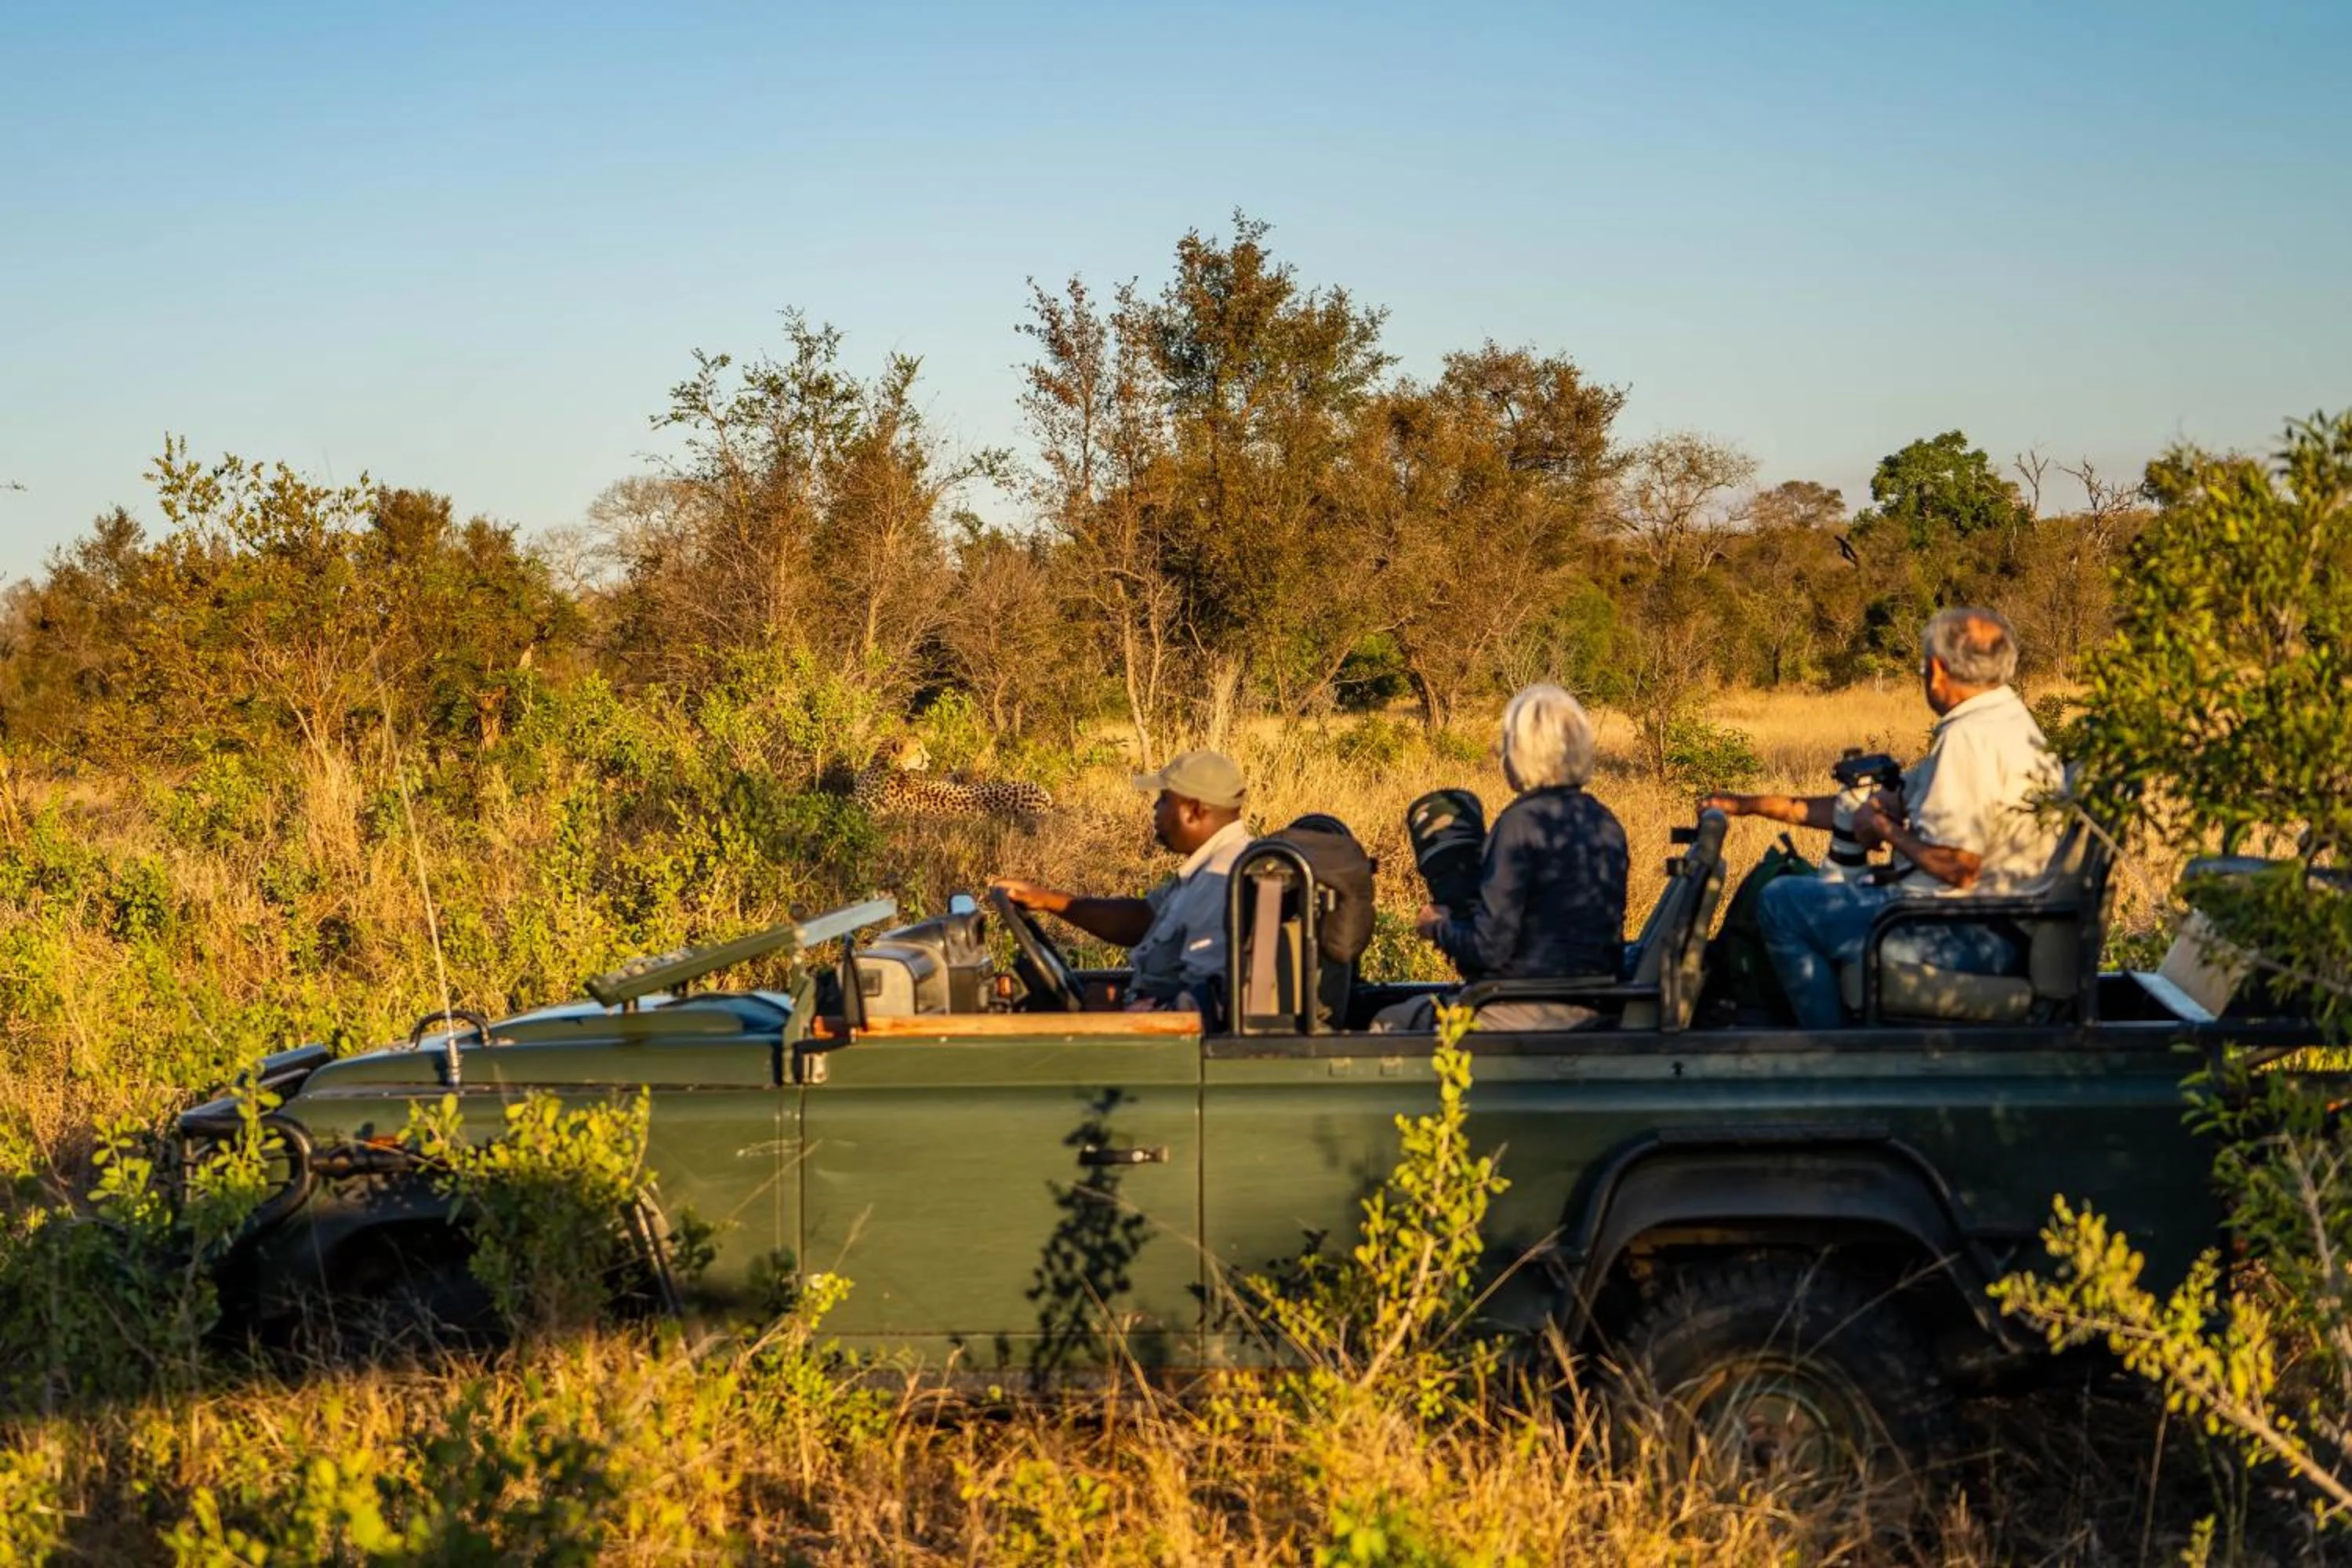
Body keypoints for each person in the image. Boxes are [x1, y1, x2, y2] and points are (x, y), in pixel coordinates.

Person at [1702, 606, 2065, 1029]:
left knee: (1781, 903)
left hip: (1967, 932)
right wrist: (1746, 805)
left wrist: (1886, 830)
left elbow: (1960, 868)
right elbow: (1861, 805)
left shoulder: (1969, 738)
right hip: (1993, 925)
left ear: (1937, 669)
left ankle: (1834, 1051)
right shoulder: (2006, 719)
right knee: (1808, 898)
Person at [1377, 684, 1629, 1032]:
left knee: (1387, 1021)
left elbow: (1489, 948)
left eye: (1509, 742)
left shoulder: (1520, 823)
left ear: (1525, 752)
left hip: (1523, 1006)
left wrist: (1437, 926)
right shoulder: (1605, 821)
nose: (1501, 753)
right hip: (1594, 1002)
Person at [989, 750, 1250, 1015]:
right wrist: (1049, 900)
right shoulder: (1210, 865)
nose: (1155, 808)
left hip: (1171, 1042)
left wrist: (1120, 1007)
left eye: (1163, 800)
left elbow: (1208, 1002)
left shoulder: (1220, 881)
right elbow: (1141, 919)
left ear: (1193, 811)